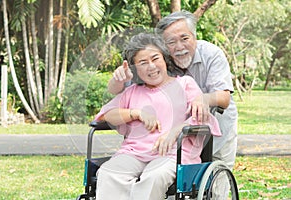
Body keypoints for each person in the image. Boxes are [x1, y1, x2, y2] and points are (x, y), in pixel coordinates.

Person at [95, 33, 221, 200]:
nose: (151, 66)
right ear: (135, 69)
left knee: (153, 176)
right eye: (143, 63)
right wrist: (136, 113)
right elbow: (107, 115)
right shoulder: (132, 91)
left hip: (172, 154)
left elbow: (203, 118)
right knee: (109, 173)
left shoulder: (185, 84)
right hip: (134, 153)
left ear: (164, 59)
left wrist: (176, 130)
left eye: (155, 59)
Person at [108, 11, 238, 170]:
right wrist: (117, 78)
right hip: (171, 142)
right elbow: (121, 91)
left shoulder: (211, 54)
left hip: (216, 127)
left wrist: (203, 98)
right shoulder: (158, 63)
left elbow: (224, 98)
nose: (179, 47)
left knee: (217, 181)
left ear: (194, 36)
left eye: (185, 38)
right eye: (171, 42)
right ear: (163, 46)